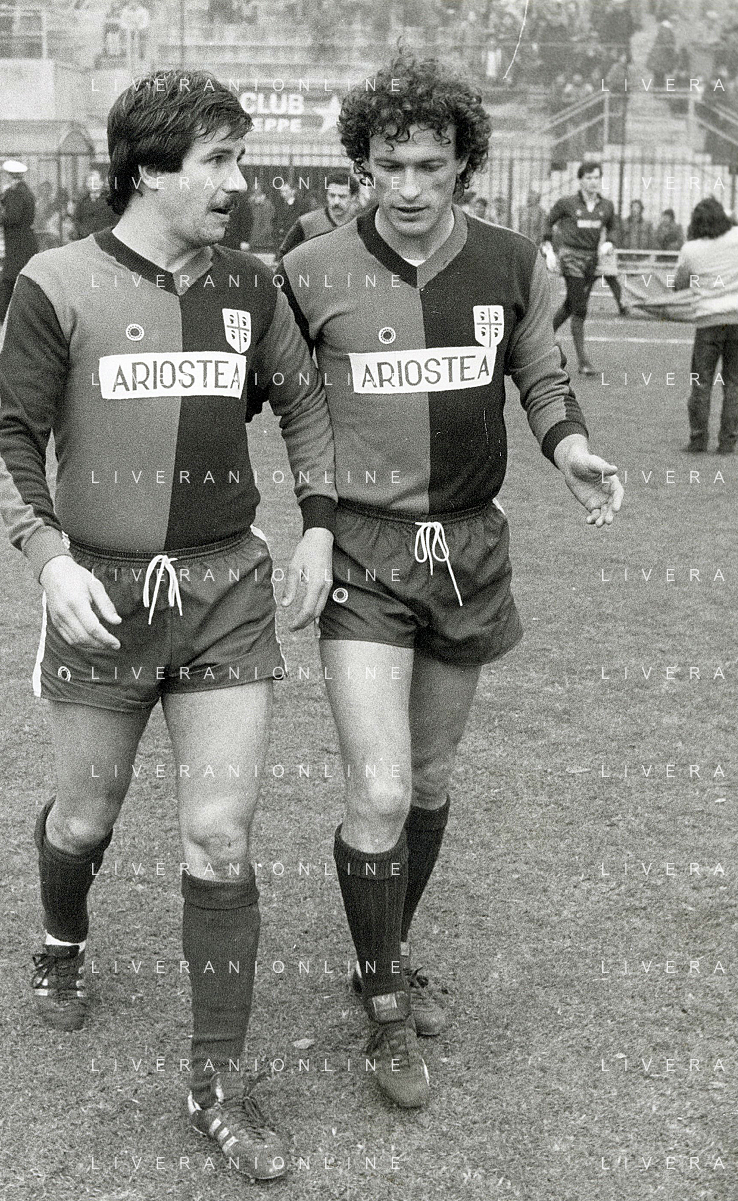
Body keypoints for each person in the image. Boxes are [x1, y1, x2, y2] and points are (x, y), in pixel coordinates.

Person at [0, 69, 336, 1180]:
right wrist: (48, 561)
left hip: (226, 589)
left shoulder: (252, 285)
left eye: (240, 157)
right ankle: (62, 937)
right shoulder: (56, 282)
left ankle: (216, 1080)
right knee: (86, 815)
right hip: (103, 592)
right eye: (218, 160)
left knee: (220, 836)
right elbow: (11, 437)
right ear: (147, 169)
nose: (239, 181)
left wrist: (319, 527)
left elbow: (303, 404)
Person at [277, 51, 623, 1112]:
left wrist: (569, 449)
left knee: (427, 781)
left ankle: (378, 954)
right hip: (365, 552)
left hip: (468, 551)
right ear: (362, 166)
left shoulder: (515, 262)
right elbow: (287, 402)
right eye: (389, 165)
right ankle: (385, 1003)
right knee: (379, 789)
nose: (410, 186)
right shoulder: (309, 269)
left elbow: (540, 377)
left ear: (464, 163)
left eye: (431, 164)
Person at [674, 198, 738, 453]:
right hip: (737, 319)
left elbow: (679, 283)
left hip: (708, 323)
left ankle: (698, 439)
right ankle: (728, 442)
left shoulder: (691, 249)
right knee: (733, 384)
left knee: (701, 383)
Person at [542, 161, 617, 375]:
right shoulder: (567, 203)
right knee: (580, 307)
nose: (593, 182)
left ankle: (542, 338)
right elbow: (548, 222)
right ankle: (583, 362)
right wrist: (548, 248)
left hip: (592, 259)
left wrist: (609, 242)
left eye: (597, 177)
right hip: (571, 257)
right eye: (589, 178)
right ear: (581, 180)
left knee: (571, 303)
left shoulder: (606, 205)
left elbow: (613, 227)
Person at [0, 160, 39, 322]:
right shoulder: (24, 192)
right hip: (23, 241)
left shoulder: (16, 194)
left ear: (10, 177)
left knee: (10, 277)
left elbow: (12, 217)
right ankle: (0, 313)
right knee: (13, 277)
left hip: (17, 241)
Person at [276, 171, 359, 258]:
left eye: (342, 196)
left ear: (353, 197)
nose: (336, 202)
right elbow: (284, 256)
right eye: (332, 195)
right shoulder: (307, 223)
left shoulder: (362, 224)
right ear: (327, 195)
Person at [72, 168, 117, 240]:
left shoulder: (111, 201)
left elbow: (115, 221)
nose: (93, 184)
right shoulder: (81, 202)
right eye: (90, 181)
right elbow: (76, 220)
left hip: (105, 240)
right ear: (86, 184)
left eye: (95, 181)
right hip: (86, 239)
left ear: (101, 183)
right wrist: (83, 232)